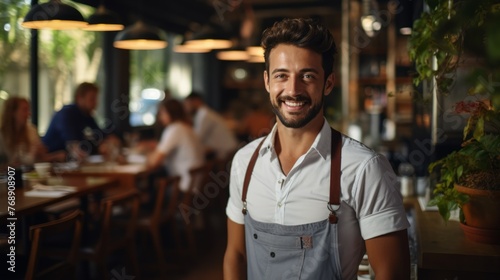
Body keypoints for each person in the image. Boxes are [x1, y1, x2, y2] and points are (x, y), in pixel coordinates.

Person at [224, 18, 410, 280]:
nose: (293, 90)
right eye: (281, 75)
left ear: (328, 83)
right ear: (267, 81)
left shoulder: (364, 168)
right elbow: (236, 255)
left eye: (307, 76)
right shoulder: (244, 161)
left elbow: (392, 273)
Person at [146, 98, 205, 192]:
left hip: (184, 189)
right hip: (195, 185)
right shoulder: (187, 127)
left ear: (172, 113)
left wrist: (148, 154)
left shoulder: (174, 129)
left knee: (150, 189)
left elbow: (154, 162)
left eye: (162, 113)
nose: (160, 118)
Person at [42, 82, 114, 159]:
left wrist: (107, 143)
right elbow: (74, 146)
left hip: (67, 164)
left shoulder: (86, 115)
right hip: (50, 163)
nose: (96, 103)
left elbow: (99, 137)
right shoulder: (66, 114)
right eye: (92, 99)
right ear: (79, 98)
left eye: (96, 99)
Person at [0, 97, 64, 166]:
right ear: (12, 113)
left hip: (30, 174)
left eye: (28, 110)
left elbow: (37, 160)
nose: (29, 114)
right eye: (24, 110)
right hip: (10, 175)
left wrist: (53, 156)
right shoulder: (2, 134)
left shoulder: (31, 131)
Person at [183, 92, 238, 161]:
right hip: (225, 151)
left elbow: (197, 138)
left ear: (196, 101)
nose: (186, 107)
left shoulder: (204, 115)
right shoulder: (204, 113)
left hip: (226, 153)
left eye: (187, 104)